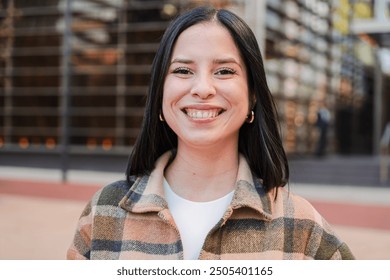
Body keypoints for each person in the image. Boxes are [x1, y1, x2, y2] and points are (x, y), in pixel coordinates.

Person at [67, 6, 354, 260]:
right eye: (182, 71)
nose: (202, 88)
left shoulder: (301, 225)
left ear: (252, 95)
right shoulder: (104, 212)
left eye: (224, 71)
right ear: (159, 94)